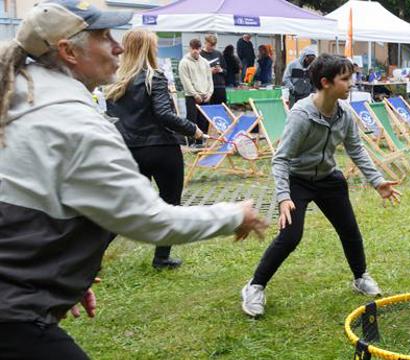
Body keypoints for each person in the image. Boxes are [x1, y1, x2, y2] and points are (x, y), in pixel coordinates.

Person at [0, 1, 267, 357]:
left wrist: (64, 277)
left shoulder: (19, 97)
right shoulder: (73, 122)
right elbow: (150, 219)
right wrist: (235, 215)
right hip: (13, 313)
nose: (118, 45)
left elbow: (31, 197)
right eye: (104, 36)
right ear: (67, 51)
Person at [240, 54, 401, 317]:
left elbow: (356, 149)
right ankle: (255, 286)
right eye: (346, 79)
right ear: (326, 82)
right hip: (298, 180)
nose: (351, 84)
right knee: (291, 237)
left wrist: (378, 181)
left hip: (329, 179)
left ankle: (360, 277)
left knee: (349, 230)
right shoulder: (301, 115)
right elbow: (280, 159)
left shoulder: (345, 114)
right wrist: (283, 197)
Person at [105, 28, 208, 269]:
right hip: (161, 149)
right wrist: (193, 129)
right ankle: (162, 258)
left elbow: (112, 118)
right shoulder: (155, 76)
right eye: (153, 45)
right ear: (146, 49)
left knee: (125, 207)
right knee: (170, 204)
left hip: (129, 150)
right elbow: (164, 114)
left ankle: (89, 257)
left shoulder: (115, 80)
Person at [178, 38, 213, 146]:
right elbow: (186, 81)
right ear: (189, 48)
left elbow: (209, 79)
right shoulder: (184, 62)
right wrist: (195, 94)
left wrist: (210, 93)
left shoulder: (205, 62)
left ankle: (200, 142)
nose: (195, 51)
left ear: (200, 48)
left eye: (197, 48)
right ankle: (192, 142)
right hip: (191, 97)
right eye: (193, 48)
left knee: (203, 121)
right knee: (192, 121)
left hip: (205, 96)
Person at [200, 34, 227, 105]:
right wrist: (209, 72)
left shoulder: (218, 54)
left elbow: (226, 71)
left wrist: (220, 70)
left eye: (214, 45)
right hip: (206, 88)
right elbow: (197, 74)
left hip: (219, 87)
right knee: (208, 111)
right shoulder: (200, 55)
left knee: (221, 109)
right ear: (205, 43)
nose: (212, 47)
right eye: (210, 45)